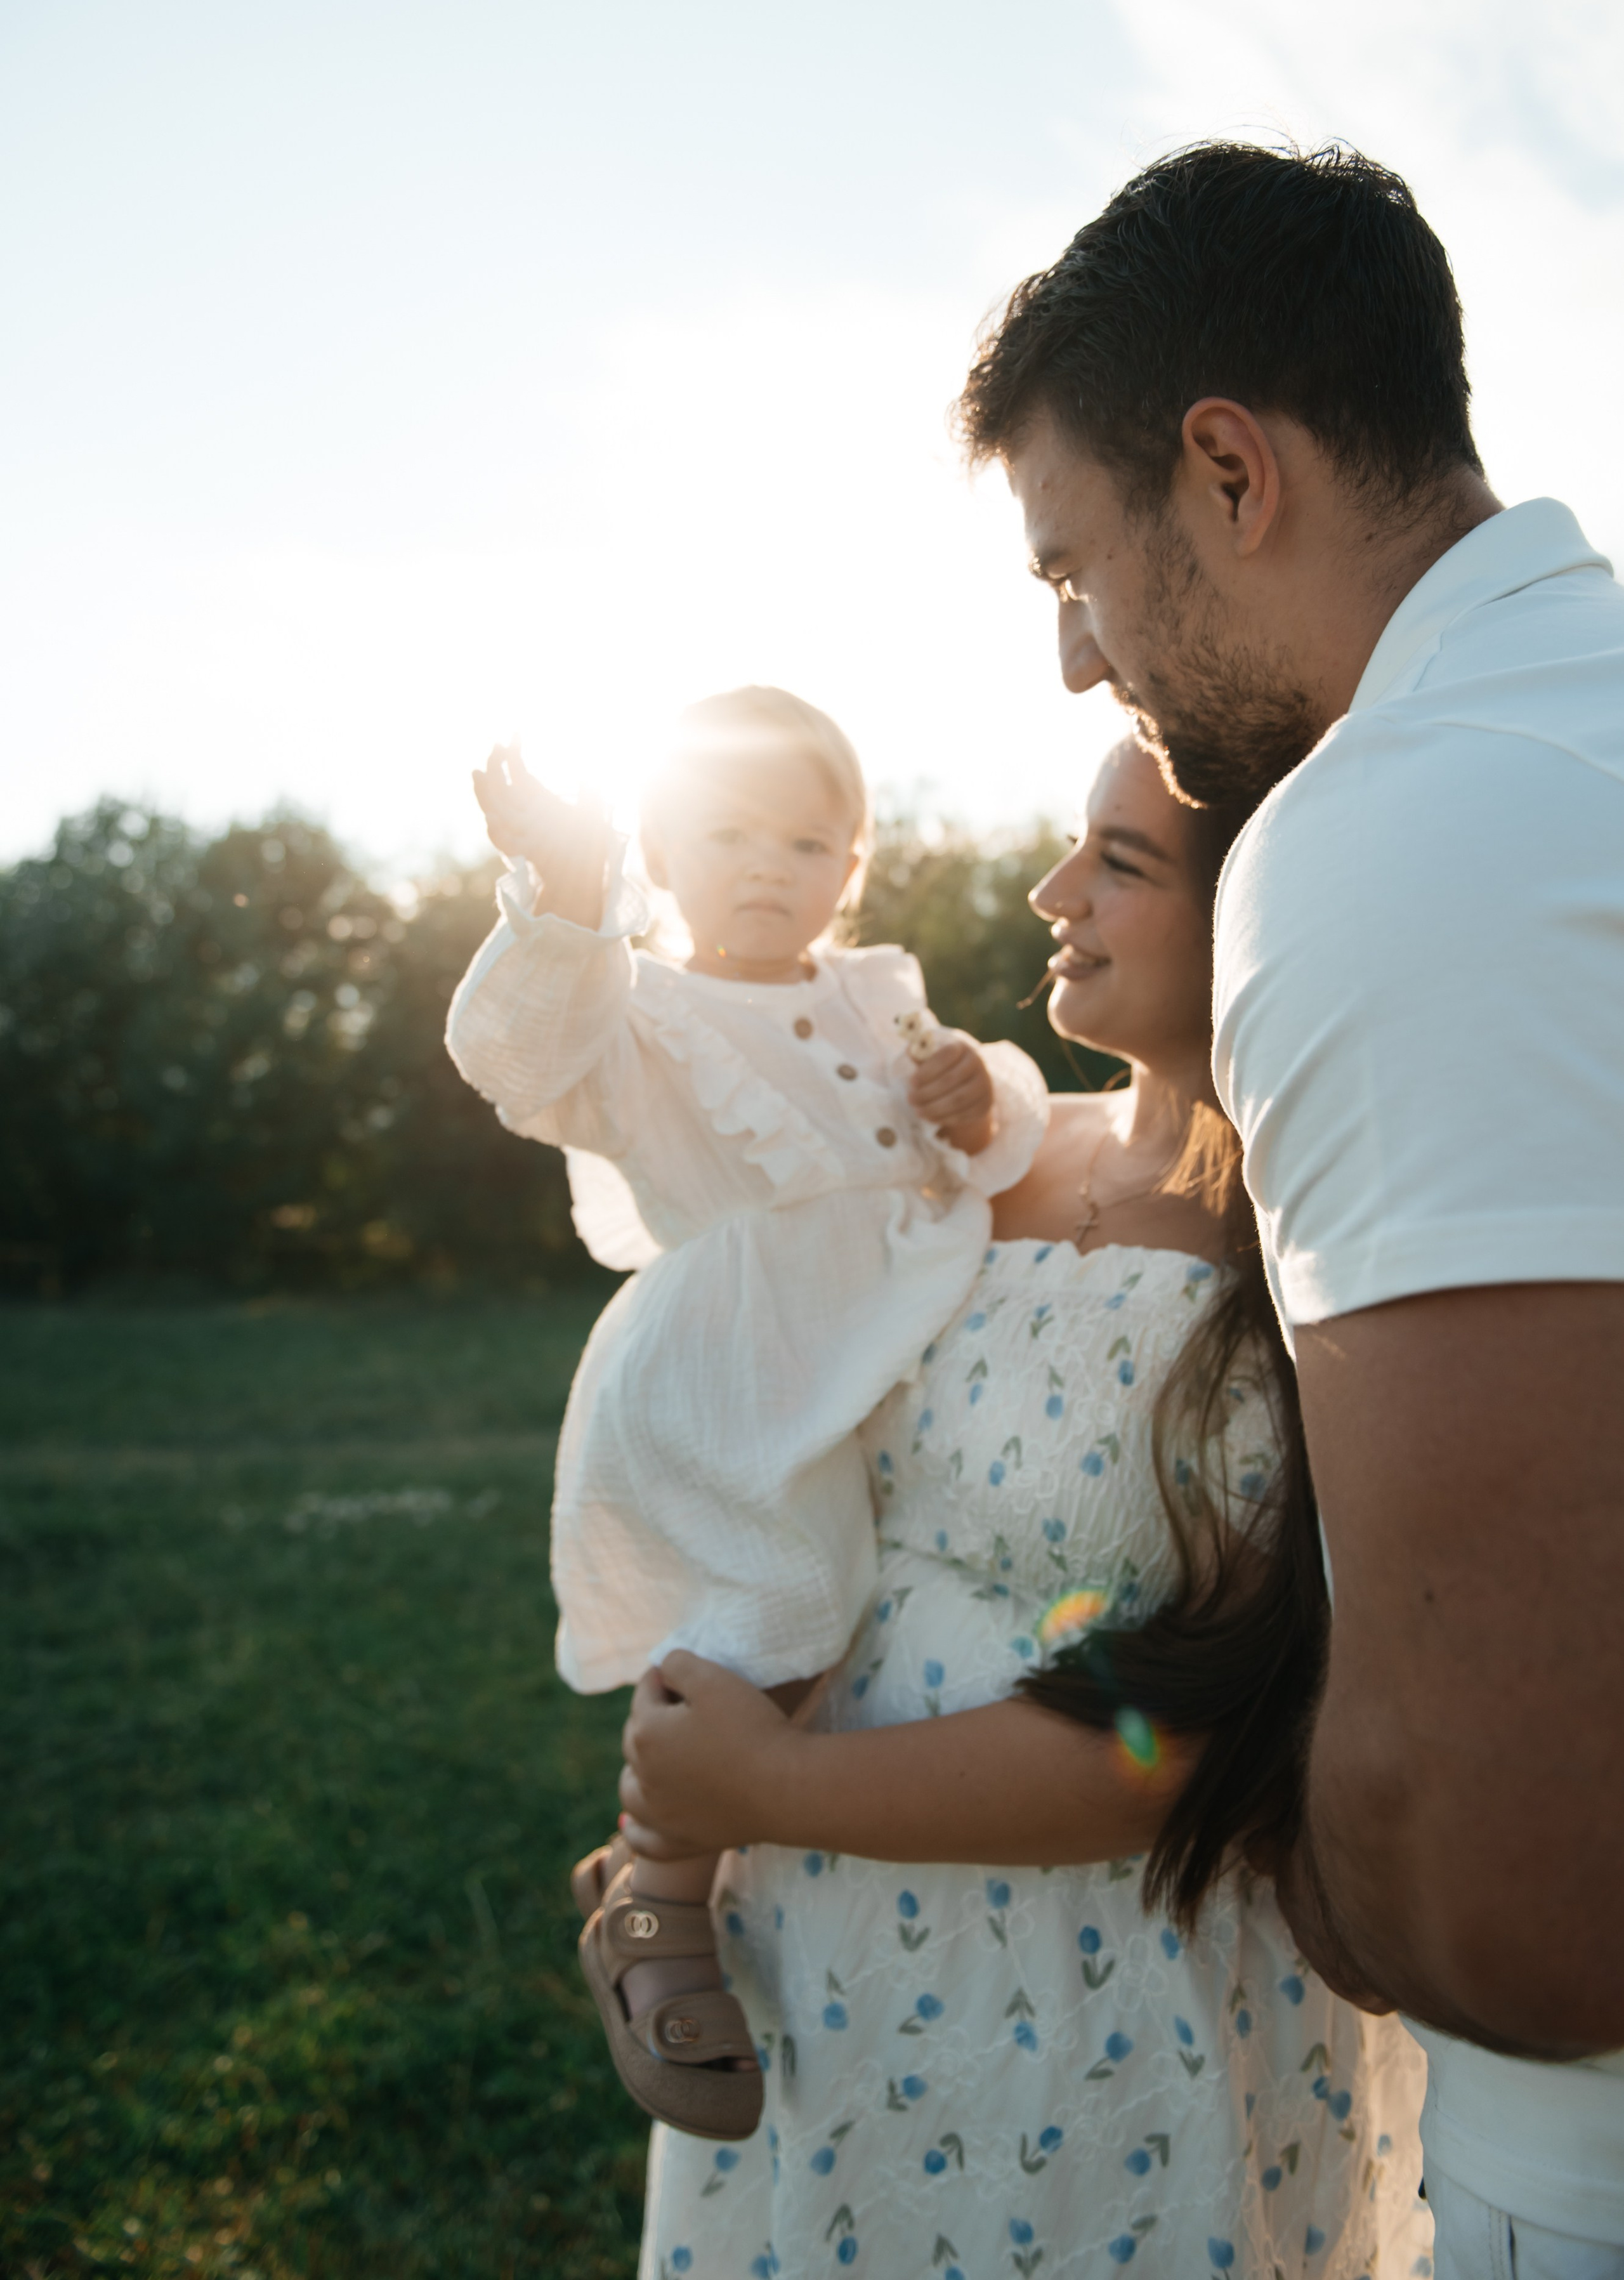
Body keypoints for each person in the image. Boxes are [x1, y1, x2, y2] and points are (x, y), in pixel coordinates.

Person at [957, 138, 1624, 2275]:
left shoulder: (1387, 836)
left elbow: (1519, 1886)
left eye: (1075, 565)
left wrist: (1327, 1873)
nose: (1079, 656)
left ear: (1229, 471)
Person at [622, 738, 1431, 2279]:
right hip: (825, 1947)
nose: (1051, 889)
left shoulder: (1314, 1241)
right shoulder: (961, 1156)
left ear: (1265, 906)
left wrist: (756, 1790)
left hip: (1114, 1995)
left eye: (1118, 862)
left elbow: (1191, 1734)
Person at [443, 684, 1049, 2140]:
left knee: (819, 1619)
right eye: (727, 833)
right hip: (725, 1377)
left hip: (855, 1351)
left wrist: (980, 1096)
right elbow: (517, 1059)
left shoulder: (872, 993)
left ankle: (668, 1860)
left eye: (806, 840)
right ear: (658, 848)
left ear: (851, 867)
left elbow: (990, 1120)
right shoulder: (636, 1011)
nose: (768, 866)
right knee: (783, 1603)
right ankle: (650, 1891)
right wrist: (571, 893)